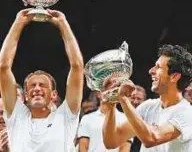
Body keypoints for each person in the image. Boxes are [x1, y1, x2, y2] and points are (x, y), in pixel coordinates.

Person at [0, 9, 84, 152]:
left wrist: (63, 24)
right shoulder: (17, 117)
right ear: (25, 96)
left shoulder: (65, 116)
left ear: (53, 94)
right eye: (32, 86)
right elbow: (3, 67)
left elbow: (77, 66)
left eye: (43, 85)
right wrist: (18, 22)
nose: (37, 88)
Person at [103, 44, 192, 152]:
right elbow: (111, 141)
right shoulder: (147, 107)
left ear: (174, 76)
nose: (151, 71)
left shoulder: (187, 113)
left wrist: (124, 99)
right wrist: (111, 104)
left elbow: (151, 138)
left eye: (158, 67)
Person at [130, 85, 146, 152]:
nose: (135, 102)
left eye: (139, 99)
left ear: (144, 101)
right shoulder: (119, 117)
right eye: (133, 98)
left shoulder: (149, 119)